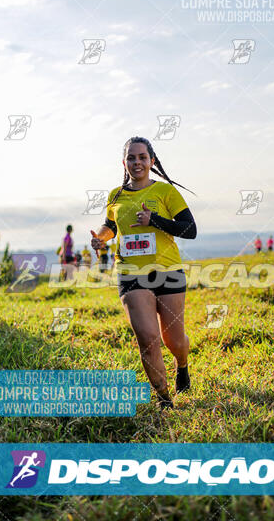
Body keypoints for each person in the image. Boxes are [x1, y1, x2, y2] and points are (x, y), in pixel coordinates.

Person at [90, 136, 197, 411]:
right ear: (123, 163)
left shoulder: (165, 192)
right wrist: (101, 238)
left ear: (151, 161)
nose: (136, 162)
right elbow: (111, 226)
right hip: (130, 274)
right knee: (148, 339)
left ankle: (182, 365)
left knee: (173, 340)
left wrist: (155, 221)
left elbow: (189, 229)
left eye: (141, 157)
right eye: (131, 158)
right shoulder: (115, 195)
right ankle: (164, 399)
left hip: (168, 272)